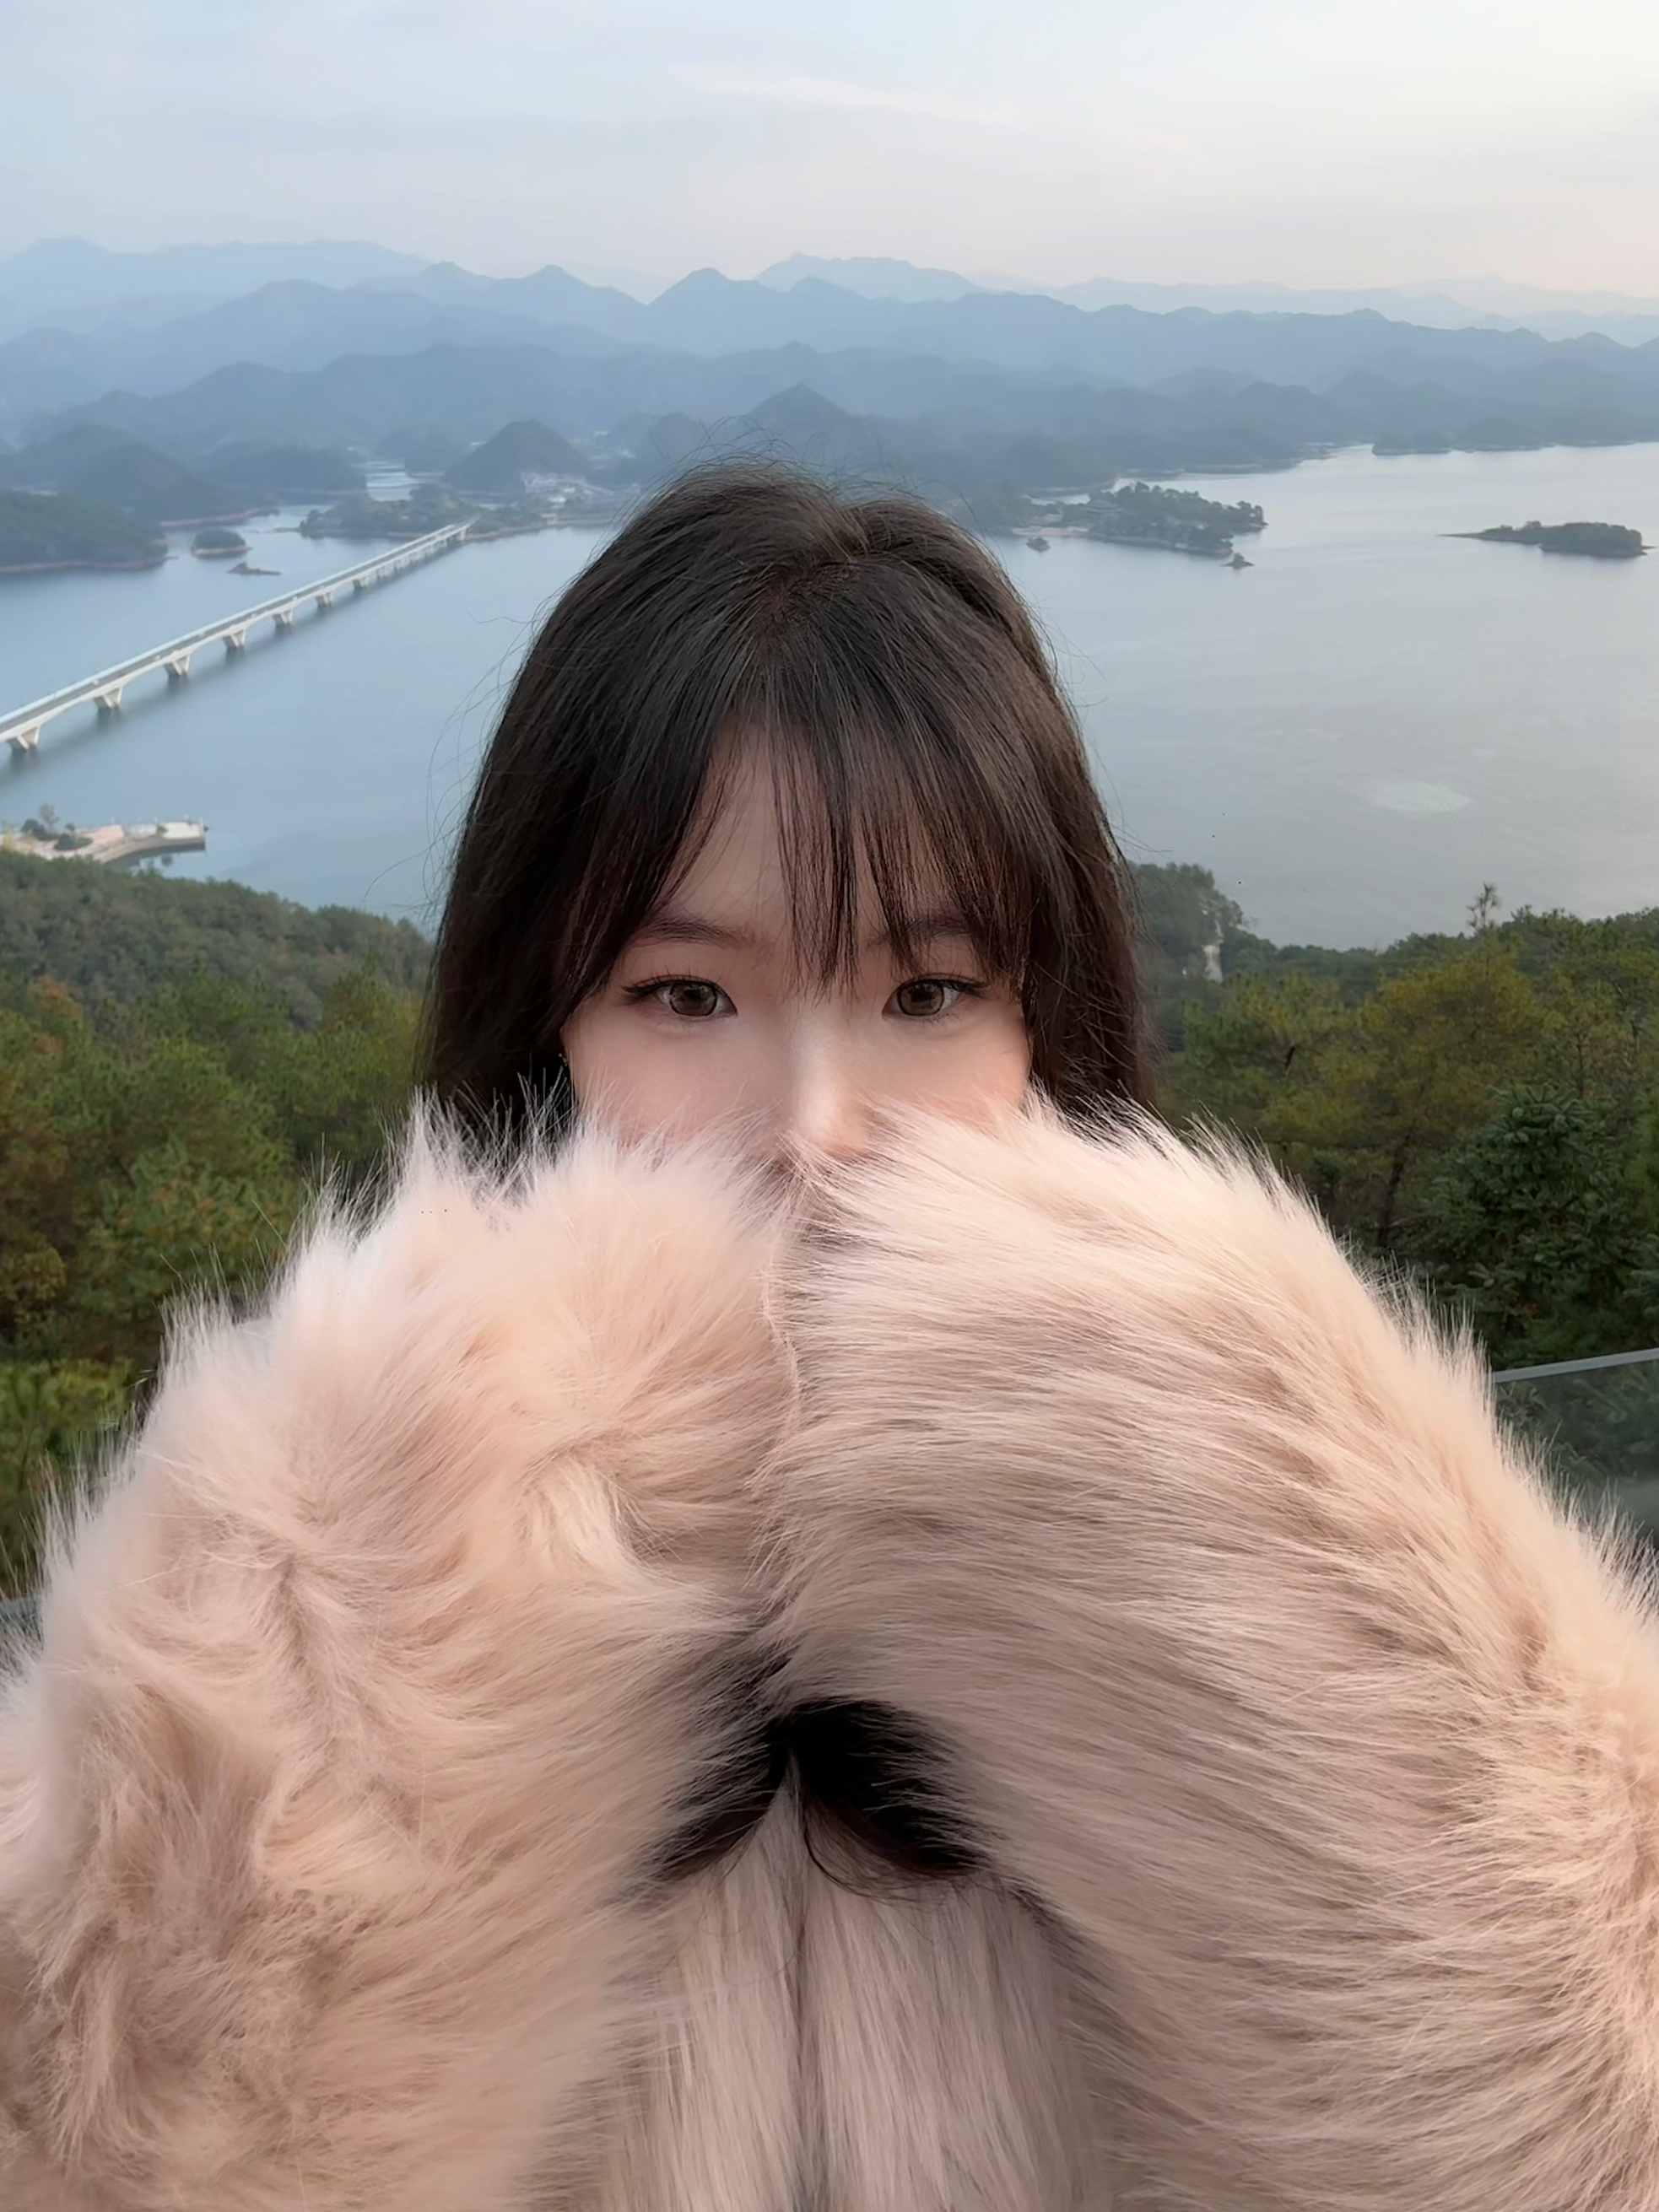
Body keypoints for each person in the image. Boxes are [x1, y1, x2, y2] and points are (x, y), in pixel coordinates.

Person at [3, 464, 1657, 2212]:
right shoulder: (300, 1656)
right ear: (543, 1031)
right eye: (685, 994)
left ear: (1048, 1033)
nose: (811, 1130)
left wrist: (1369, 1674)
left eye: (926, 994)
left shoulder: (1241, 1632)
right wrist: (303, 1719)